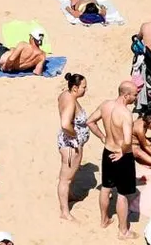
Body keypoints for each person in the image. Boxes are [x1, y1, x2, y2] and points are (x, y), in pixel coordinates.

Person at [87, 80, 140, 240]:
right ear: (126, 95)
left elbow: (90, 121)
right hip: (121, 155)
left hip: (107, 150)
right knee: (122, 194)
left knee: (106, 186)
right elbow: (127, 140)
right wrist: (123, 153)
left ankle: (104, 220)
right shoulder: (125, 114)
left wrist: (103, 137)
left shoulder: (106, 105)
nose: (136, 98)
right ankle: (123, 231)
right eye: (134, 95)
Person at [56, 73, 89, 221]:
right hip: (70, 145)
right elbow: (65, 124)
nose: (85, 90)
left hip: (68, 143)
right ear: (75, 88)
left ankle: (69, 195)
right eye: (84, 87)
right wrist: (75, 135)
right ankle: (64, 212)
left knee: (69, 175)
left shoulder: (65, 95)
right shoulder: (70, 102)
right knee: (65, 179)